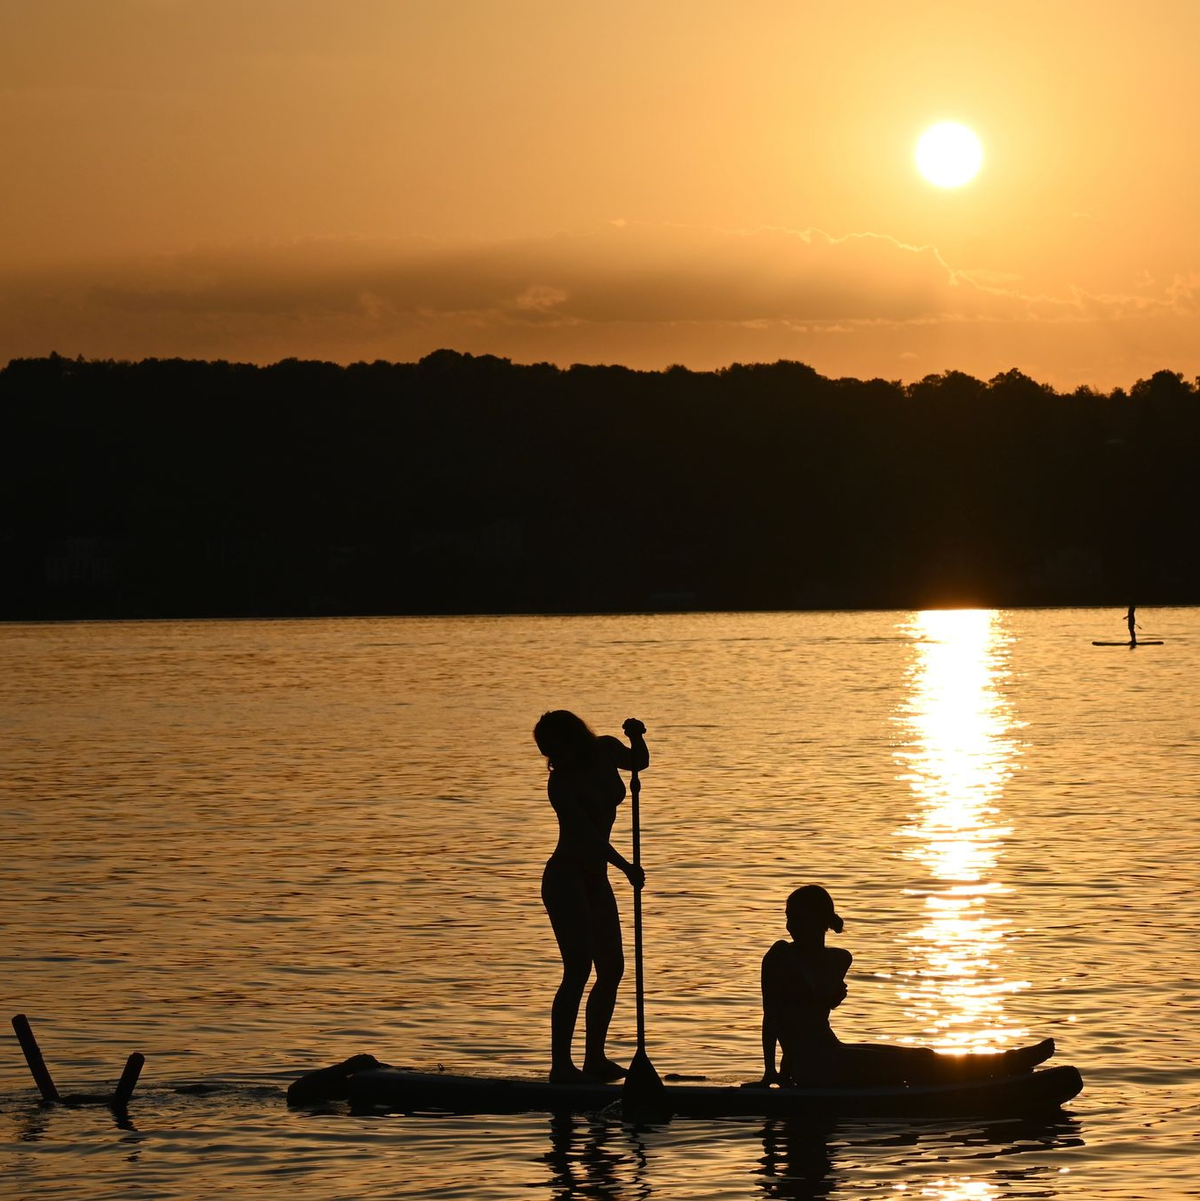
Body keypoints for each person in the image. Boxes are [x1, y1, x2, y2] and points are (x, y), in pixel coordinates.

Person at [756, 885, 1055, 1087]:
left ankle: (1001, 1064)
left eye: (796, 918)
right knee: (915, 1064)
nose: (789, 926)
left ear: (819, 921)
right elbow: (772, 1016)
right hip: (807, 1066)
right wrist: (770, 1071)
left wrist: (824, 995)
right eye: (788, 918)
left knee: (921, 1056)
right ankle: (1005, 1065)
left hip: (830, 1052)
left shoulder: (839, 959)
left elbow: (820, 998)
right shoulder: (780, 956)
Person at [534, 710, 649, 1083]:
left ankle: (595, 1059)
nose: (553, 759)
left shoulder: (605, 750)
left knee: (612, 969)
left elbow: (638, 763)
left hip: (595, 878)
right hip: (566, 877)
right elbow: (586, 836)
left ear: (574, 740)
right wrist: (627, 867)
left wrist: (636, 737)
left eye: (556, 748)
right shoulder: (560, 784)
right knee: (578, 969)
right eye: (547, 752)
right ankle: (561, 1066)